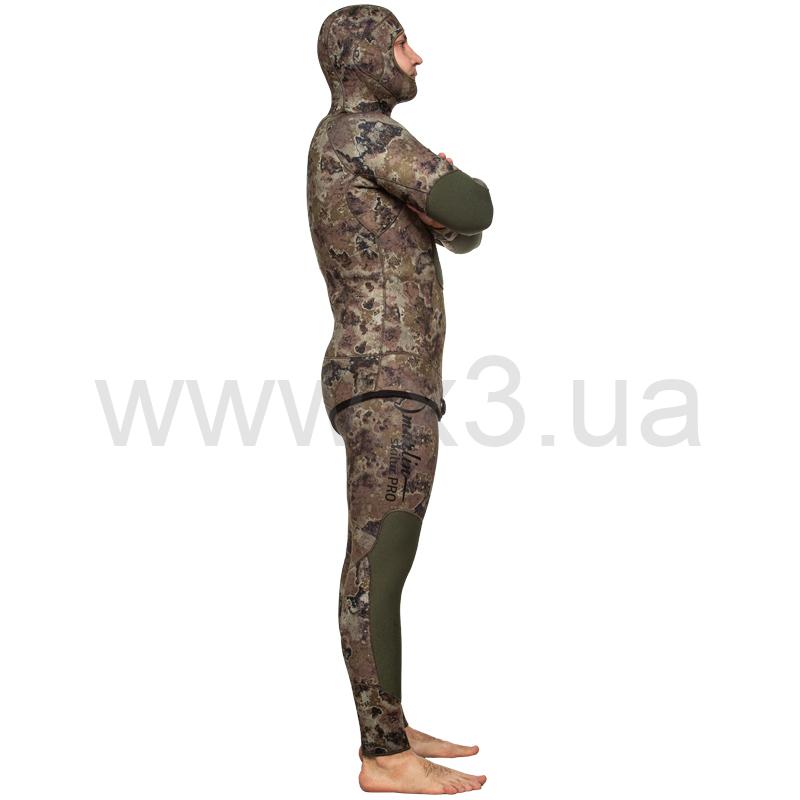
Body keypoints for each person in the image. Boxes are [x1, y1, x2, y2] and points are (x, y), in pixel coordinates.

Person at [306, 5, 493, 793]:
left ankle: (391, 721)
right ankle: (382, 754)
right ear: (364, 56)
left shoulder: (357, 143)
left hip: (394, 375)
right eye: (400, 43)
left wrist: (443, 208)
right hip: (384, 374)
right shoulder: (365, 133)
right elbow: (476, 205)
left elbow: (461, 230)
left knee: (392, 556)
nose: (417, 57)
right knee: (379, 557)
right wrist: (449, 195)